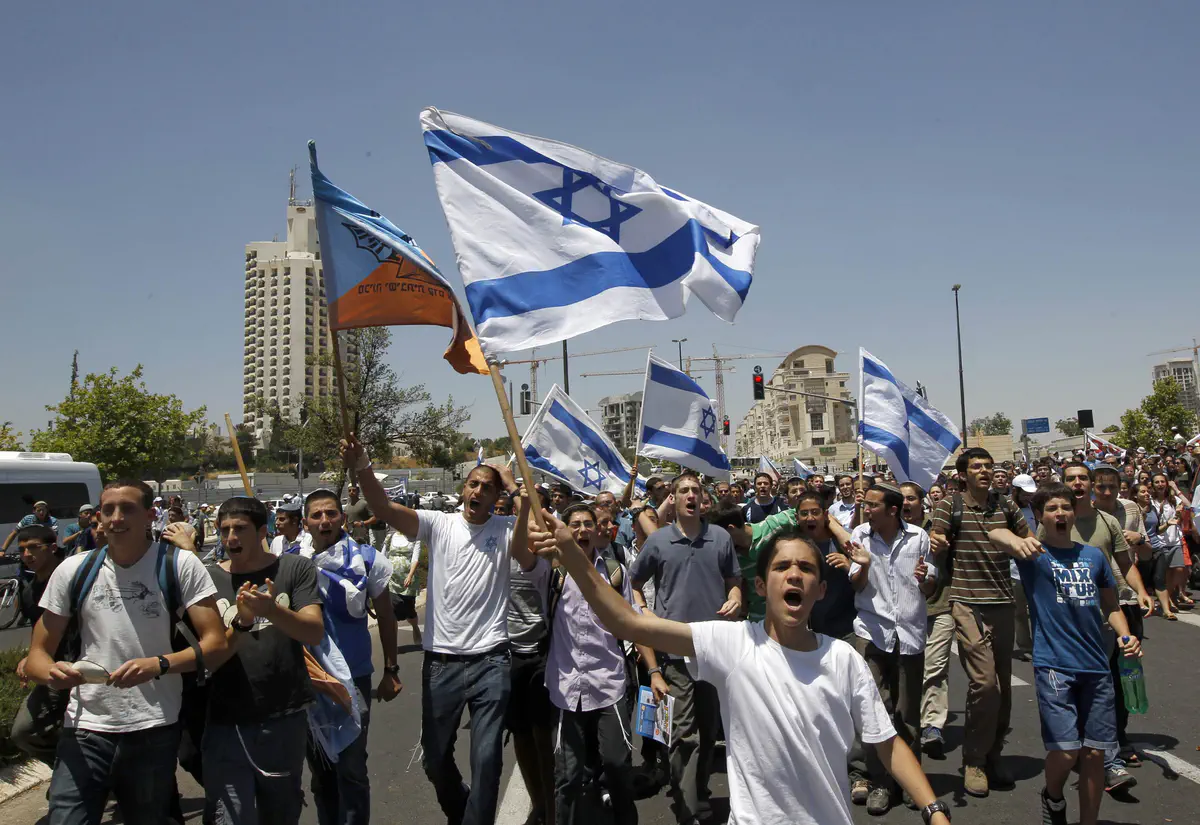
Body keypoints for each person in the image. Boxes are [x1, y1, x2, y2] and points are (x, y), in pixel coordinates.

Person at [530, 517, 952, 825]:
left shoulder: (844, 659)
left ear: (821, 590)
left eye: (806, 569)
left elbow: (886, 743)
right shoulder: (732, 643)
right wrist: (574, 556)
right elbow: (628, 623)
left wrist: (933, 811)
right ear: (761, 586)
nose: (794, 575)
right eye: (782, 567)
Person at [342, 435, 534, 825]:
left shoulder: (507, 529)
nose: (477, 491)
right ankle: (461, 811)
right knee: (434, 758)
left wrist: (516, 489)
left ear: (497, 496)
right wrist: (362, 464)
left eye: (487, 487)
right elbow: (383, 507)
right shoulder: (438, 523)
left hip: (492, 661)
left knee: (487, 760)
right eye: (473, 484)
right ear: (463, 490)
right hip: (441, 664)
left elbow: (536, 542)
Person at [24, 479, 227, 825]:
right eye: (108, 510)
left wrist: (159, 665)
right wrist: (52, 673)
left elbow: (216, 644)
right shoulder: (74, 569)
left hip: (154, 726)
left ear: (149, 516)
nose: (116, 517)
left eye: (127, 509)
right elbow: (37, 656)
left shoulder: (179, 565)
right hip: (84, 728)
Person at [1009, 484, 1142, 825]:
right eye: (1052, 508)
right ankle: (1053, 796)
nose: (1060, 514)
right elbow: (995, 534)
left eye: (1065, 507)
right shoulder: (1033, 557)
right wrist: (1016, 540)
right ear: (1039, 516)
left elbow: (1111, 606)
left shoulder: (1094, 556)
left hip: (1096, 665)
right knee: (1067, 750)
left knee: (1095, 753)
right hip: (1054, 665)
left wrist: (1125, 635)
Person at [629, 472, 742, 825]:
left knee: (709, 732)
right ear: (674, 499)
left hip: (713, 650)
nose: (691, 495)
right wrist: (643, 610)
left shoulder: (720, 538)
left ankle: (699, 791)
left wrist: (736, 596)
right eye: (684, 491)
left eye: (696, 490)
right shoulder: (659, 541)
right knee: (683, 733)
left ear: (703, 499)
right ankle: (686, 805)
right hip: (674, 653)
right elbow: (634, 583)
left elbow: (733, 579)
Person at [204, 496, 325, 825]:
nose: (231, 537)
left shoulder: (294, 568)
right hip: (225, 721)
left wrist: (271, 610)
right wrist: (241, 623)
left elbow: (313, 631)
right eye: (225, 530)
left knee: (281, 812)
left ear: (262, 532)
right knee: (231, 816)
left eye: (240, 529)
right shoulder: (206, 579)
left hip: (283, 718)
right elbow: (207, 654)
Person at [928, 447, 1034, 797]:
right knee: (985, 683)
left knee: (1002, 688)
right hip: (966, 602)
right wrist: (937, 541)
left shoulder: (1007, 505)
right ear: (963, 474)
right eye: (977, 467)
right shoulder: (951, 504)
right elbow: (937, 537)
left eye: (989, 466)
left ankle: (993, 754)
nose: (985, 471)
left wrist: (1025, 544)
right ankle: (973, 760)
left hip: (1002, 602)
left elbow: (1028, 540)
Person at [547, 503, 650, 823]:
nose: (582, 530)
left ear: (596, 530)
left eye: (588, 524)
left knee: (617, 765)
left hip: (608, 683)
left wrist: (655, 671)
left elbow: (634, 623)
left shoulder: (615, 572)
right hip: (566, 687)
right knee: (568, 776)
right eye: (575, 524)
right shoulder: (553, 571)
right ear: (565, 530)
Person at [302, 486, 399, 825]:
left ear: (342, 518)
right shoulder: (292, 562)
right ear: (306, 523)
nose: (324, 520)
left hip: (353, 677)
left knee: (352, 768)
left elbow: (385, 615)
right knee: (321, 771)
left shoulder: (366, 560)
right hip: (309, 680)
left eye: (331, 513)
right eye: (316, 515)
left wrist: (391, 669)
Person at [848, 484, 936, 814]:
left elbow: (930, 586)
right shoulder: (861, 534)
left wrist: (926, 578)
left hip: (910, 635)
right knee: (877, 711)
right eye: (866, 504)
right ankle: (881, 782)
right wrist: (863, 564)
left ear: (893, 510)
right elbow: (856, 584)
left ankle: (911, 782)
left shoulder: (918, 537)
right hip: (872, 634)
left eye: (873, 505)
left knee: (907, 713)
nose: (866, 509)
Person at [505, 496, 555, 825]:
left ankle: (552, 808)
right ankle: (538, 803)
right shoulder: (502, 548)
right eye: (517, 513)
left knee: (543, 737)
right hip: (508, 655)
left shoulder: (552, 555)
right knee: (520, 735)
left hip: (543, 654)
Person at [11, 524, 69, 764]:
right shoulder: (28, 592)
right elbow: (39, 630)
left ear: (52, 548)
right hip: (53, 671)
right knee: (23, 732)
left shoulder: (73, 579)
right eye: (22, 549)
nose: (27, 555)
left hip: (86, 668)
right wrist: (30, 657)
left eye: (34, 547)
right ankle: (70, 773)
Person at [383, 522, 423, 646]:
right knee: (392, 612)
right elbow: (383, 555)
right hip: (392, 581)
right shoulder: (390, 537)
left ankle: (415, 626)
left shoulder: (415, 539)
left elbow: (415, 558)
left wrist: (410, 575)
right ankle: (392, 643)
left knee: (409, 610)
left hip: (407, 581)